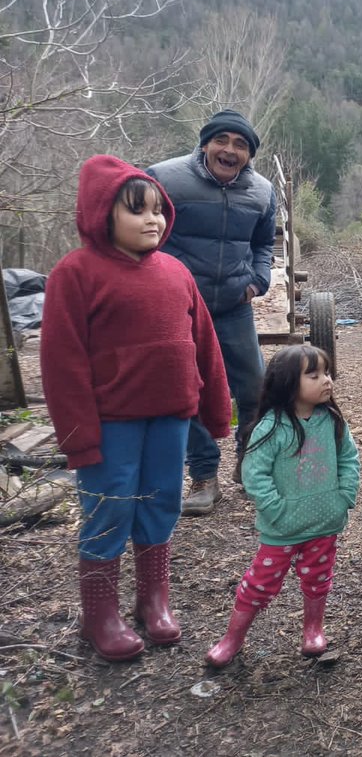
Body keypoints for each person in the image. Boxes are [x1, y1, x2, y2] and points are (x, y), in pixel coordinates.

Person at [40, 155, 231, 662]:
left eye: (158, 210)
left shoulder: (176, 272)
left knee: (161, 501)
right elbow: (61, 363)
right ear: (102, 214)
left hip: (171, 417)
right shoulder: (75, 274)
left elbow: (204, 345)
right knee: (110, 508)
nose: (153, 220)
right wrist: (78, 437)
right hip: (110, 423)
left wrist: (216, 412)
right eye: (137, 210)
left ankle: (152, 601)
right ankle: (99, 615)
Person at [148, 109, 277, 516]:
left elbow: (263, 244)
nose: (230, 150)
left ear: (249, 155)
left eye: (241, 145)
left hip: (233, 307)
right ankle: (204, 476)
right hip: (181, 309)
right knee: (186, 391)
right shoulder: (165, 178)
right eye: (221, 140)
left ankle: (250, 465)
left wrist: (257, 281)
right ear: (205, 144)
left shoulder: (262, 191)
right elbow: (144, 232)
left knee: (255, 388)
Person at [206, 344, 360, 667]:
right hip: (282, 529)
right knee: (259, 583)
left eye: (327, 372)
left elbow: (349, 458)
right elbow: (254, 473)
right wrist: (275, 509)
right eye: (314, 375)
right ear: (288, 383)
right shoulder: (272, 427)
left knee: (318, 577)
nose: (326, 380)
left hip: (325, 525)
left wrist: (345, 495)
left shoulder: (332, 421)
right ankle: (232, 639)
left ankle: (313, 630)